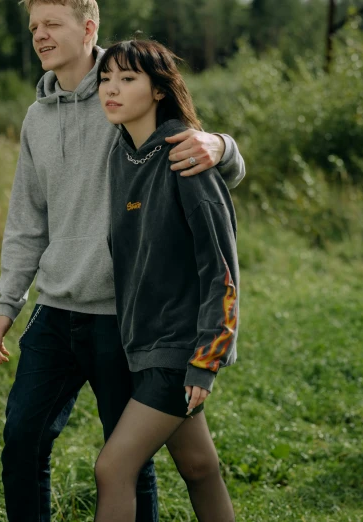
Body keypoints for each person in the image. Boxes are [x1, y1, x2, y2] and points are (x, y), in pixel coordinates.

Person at [0, 1, 245, 520]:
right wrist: (7, 301)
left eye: (53, 24)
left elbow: (196, 152)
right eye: (34, 26)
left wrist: (221, 144)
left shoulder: (127, 92)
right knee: (22, 440)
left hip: (124, 320)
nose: (41, 36)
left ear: (88, 28)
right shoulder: (41, 118)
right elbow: (27, 220)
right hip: (54, 309)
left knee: (128, 462)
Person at [92, 39, 238, 521]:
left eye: (128, 79)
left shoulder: (186, 155)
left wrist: (207, 358)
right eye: (106, 79)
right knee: (199, 468)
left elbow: (220, 265)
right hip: (142, 343)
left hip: (178, 349)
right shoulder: (123, 156)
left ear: (158, 90)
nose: (111, 89)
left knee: (113, 469)